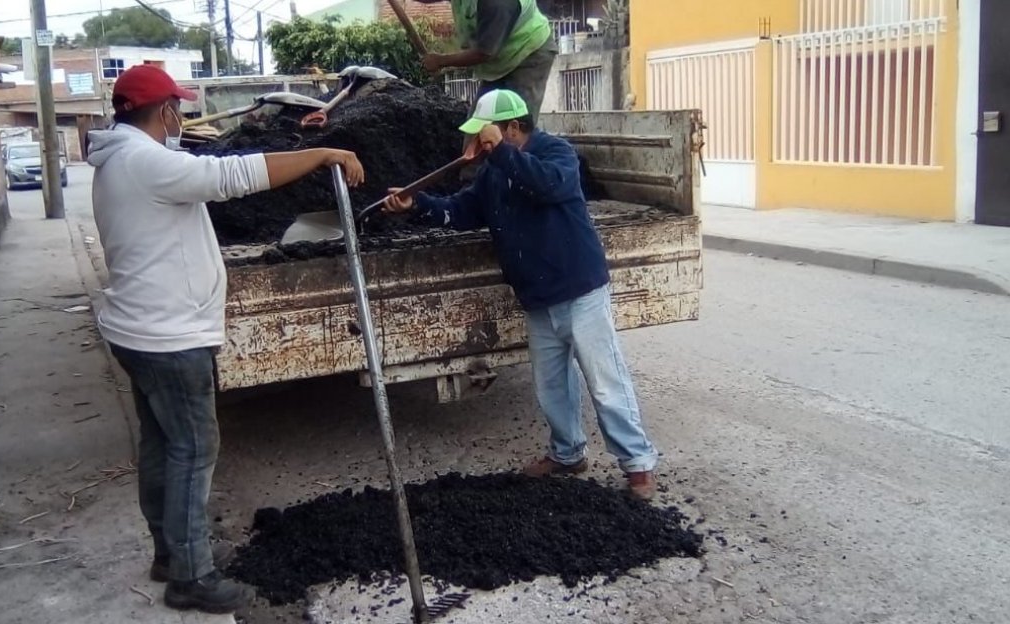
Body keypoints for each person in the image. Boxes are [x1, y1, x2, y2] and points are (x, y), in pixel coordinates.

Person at [85, 65, 365, 614]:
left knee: (163, 443)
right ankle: (192, 576)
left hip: (141, 328)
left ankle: (172, 552)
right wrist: (322, 154)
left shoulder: (118, 160)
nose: (182, 116)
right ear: (164, 111)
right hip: (167, 334)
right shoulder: (146, 161)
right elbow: (229, 177)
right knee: (193, 448)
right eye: (178, 108)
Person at [382, 90, 661, 500]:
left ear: (513, 128)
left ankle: (637, 464)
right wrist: (417, 204)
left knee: (605, 383)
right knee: (551, 386)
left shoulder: (556, 154)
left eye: (487, 134)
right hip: (536, 296)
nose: (479, 143)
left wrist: (500, 154)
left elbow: (549, 186)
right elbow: (461, 211)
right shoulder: (493, 172)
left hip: (579, 289)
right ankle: (567, 454)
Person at [415, 0, 557, 122]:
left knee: (516, 126)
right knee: (478, 128)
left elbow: (484, 53)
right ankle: (476, 153)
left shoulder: (497, 3)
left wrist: (440, 61)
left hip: (529, 54)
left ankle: (517, 152)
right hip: (500, 59)